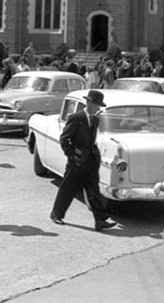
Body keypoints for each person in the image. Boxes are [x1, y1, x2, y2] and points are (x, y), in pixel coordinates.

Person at [49, 90, 116, 232]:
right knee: (68, 188)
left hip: (91, 161)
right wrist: (71, 155)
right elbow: (64, 138)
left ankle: (100, 220)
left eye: (99, 105)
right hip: (76, 161)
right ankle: (57, 214)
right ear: (89, 103)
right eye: (96, 105)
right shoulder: (76, 117)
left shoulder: (95, 120)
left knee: (93, 190)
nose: (98, 108)